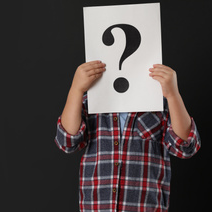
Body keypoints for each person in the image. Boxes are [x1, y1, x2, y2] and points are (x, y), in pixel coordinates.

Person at [54, 60, 201, 212]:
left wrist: (173, 95)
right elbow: (67, 141)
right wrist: (76, 90)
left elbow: (186, 147)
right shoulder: (91, 104)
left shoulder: (159, 105)